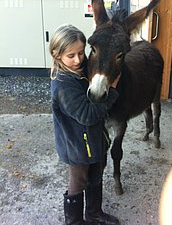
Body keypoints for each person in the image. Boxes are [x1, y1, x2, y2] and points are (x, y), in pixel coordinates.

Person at [49, 24, 120, 225]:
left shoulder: (83, 68)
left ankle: (94, 213)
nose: (78, 59)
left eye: (81, 52)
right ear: (57, 55)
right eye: (71, 55)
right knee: (78, 182)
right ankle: (74, 221)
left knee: (96, 176)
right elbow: (88, 115)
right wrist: (112, 93)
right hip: (77, 149)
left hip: (95, 141)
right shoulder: (63, 85)